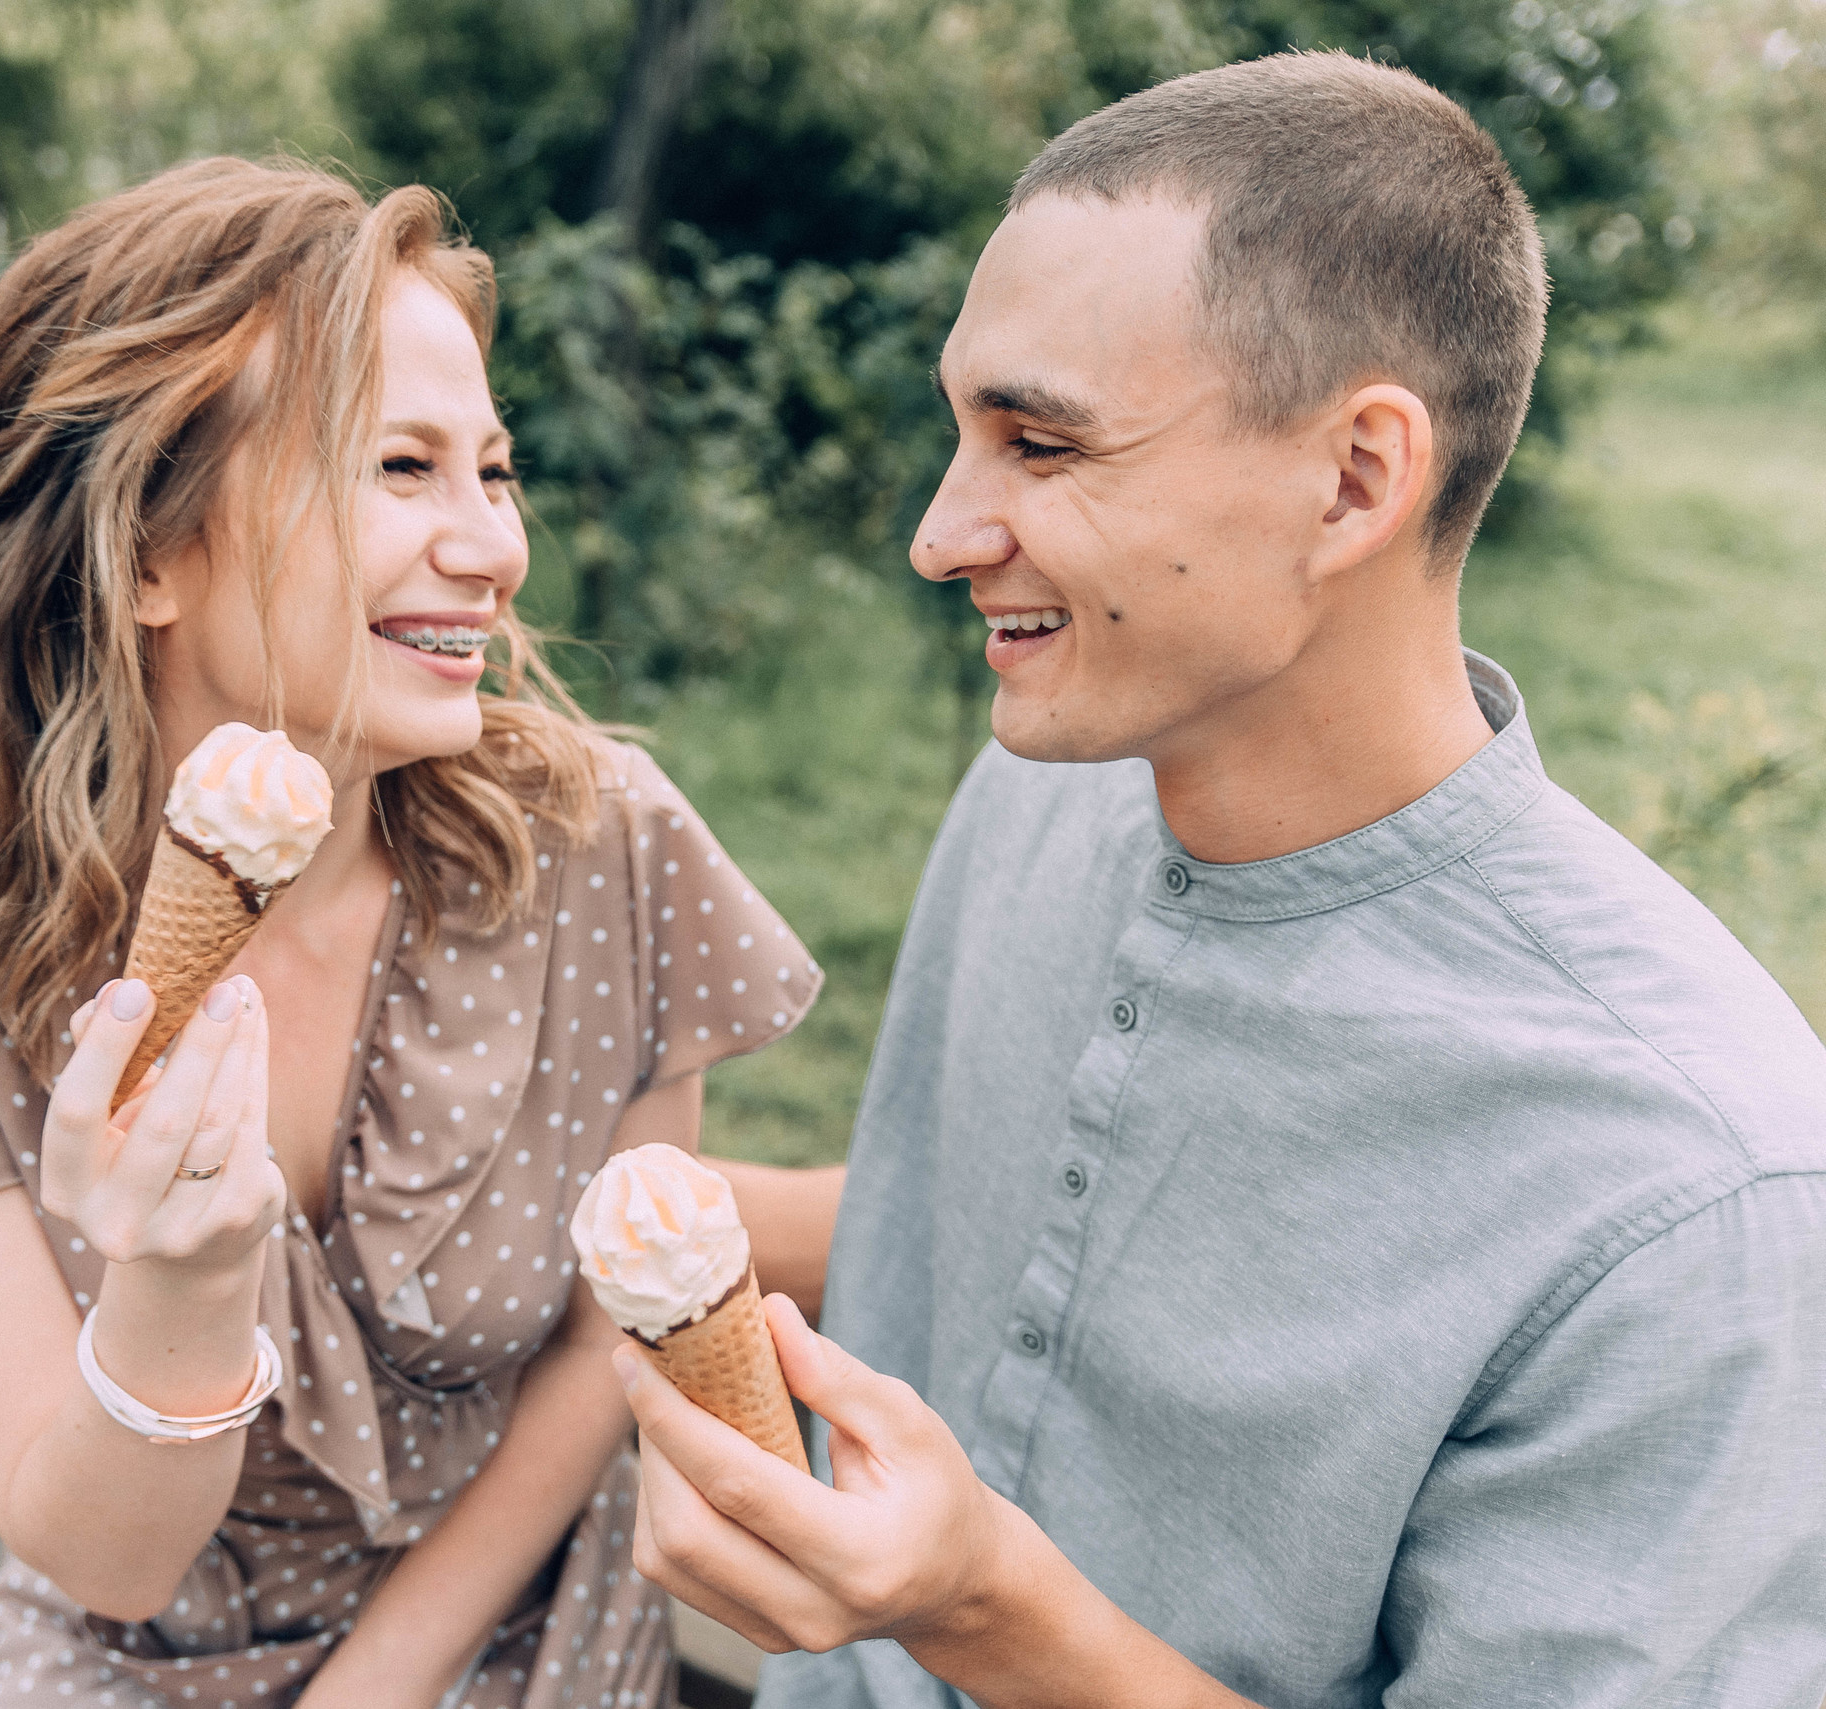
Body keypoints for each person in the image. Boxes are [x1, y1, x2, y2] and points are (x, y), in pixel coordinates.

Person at [615, 52, 1826, 1709]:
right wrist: (463, 1175)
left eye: (1041, 443)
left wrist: (985, 1606)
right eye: (963, 430)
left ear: (1355, 479)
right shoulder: (1042, 784)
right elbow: (999, 1211)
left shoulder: (1702, 1204)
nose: (940, 530)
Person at [0, 158, 824, 1709]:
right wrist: (178, 1280)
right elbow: (101, 1560)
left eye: (491, 471)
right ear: (148, 555)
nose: (493, 546)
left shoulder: (598, 845)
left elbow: (598, 1349)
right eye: (398, 468)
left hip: (536, 1631)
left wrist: (376, 1687)